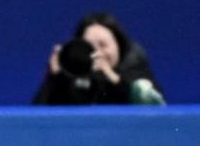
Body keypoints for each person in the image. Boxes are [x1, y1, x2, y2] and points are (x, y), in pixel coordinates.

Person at [33, 12, 165, 105]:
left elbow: (154, 107)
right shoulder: (72, 76)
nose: (97, 53)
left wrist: (112, 78)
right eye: (89, 46)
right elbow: (39, 116)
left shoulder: (135, 68)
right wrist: (55, 78)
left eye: (103, 45)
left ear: (118, 45)